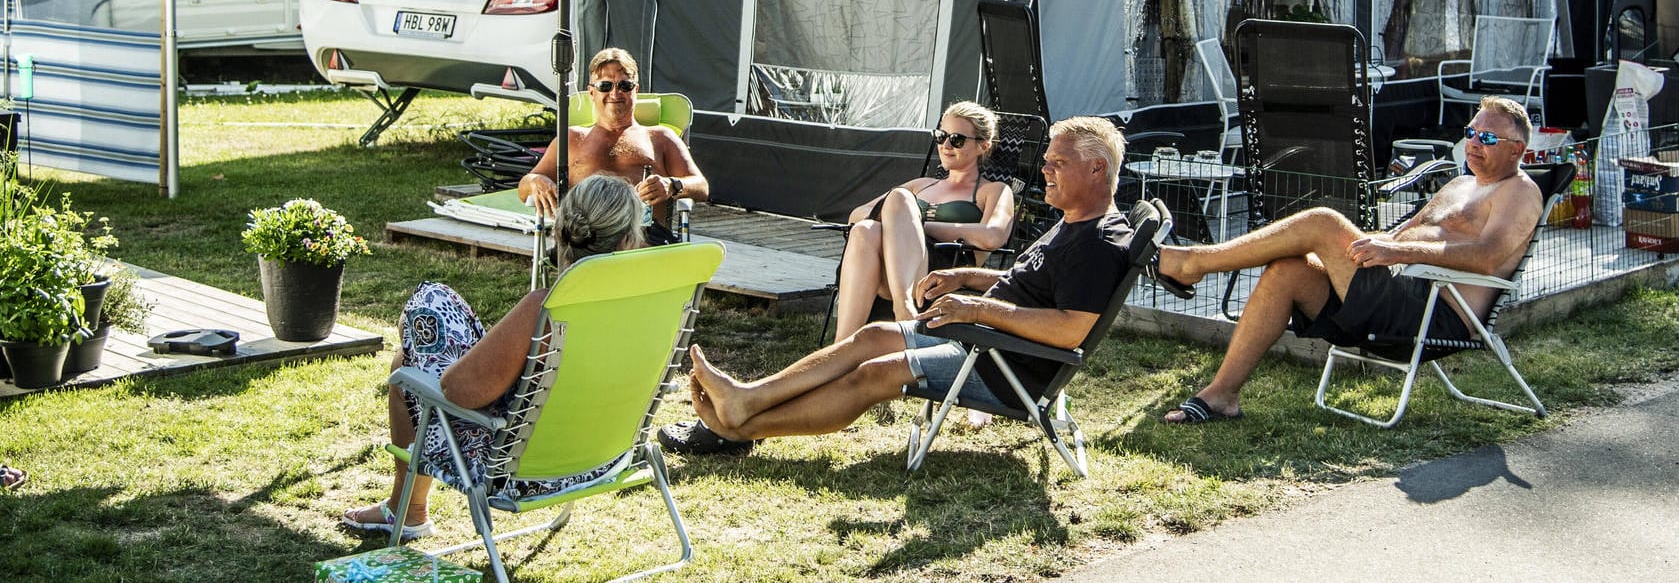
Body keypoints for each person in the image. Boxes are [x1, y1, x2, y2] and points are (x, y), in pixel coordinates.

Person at [680, 117, 1134, 447]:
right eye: (1048, 160)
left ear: (1096, 170)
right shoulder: (1074, 222)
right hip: (982, 340)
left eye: (1058, 162)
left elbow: (1070, 328)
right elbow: (1032, 282)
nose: (1046, 170)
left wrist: (977, 308)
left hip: (1002, 365)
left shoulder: (1097, 242)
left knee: (876, 373)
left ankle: (744, 427)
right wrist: (969, 275)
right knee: (873, 336)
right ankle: (746, 398)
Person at [1155, 96, 1542, 424]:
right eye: (1470, 133)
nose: (1474, 142)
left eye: (1488, 137)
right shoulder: (1460, 185)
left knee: (1323, 222)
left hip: (1431, 312)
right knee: (1289, 270)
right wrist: (1378, 244)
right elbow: (1397, 235)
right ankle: (1221, 395)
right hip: (1396, 291)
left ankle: (1192, 263)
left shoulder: (1520, 193)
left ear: (1516, 150)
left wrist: (1397, 251)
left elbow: (1487, 258)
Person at [341, 174, 646, 540]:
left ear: (562, 232)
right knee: (416, 351)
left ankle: (408, 510)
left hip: (519, 469)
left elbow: (457, 392)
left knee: (412, 350)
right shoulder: (650, 308)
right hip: (607, 456)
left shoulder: (547, 311)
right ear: (628, 240)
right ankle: (407, 510)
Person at [830, 101, 1018, 342]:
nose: (946, 145)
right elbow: (856, 214)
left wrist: (915, 225)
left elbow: (993, 236)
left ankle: (903, 310)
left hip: (941, 271)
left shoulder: (993, 191)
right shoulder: (921, 184)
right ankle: (843, 347)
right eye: (941, 136)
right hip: (888, 267)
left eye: (957, 139)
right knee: (865, 229)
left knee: (898, 199)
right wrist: (899, 224)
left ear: (983, 145)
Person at [516, 47, 708, 238]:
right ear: (591, 92)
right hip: (585, 239)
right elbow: (524, 187)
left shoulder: (659, 138)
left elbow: (701, 186)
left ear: (636, 90)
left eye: (624, 86)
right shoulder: (571, 139)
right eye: (605, 86)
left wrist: (672, 185)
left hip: (643, 239)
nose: (615, 94)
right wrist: (536, 181)